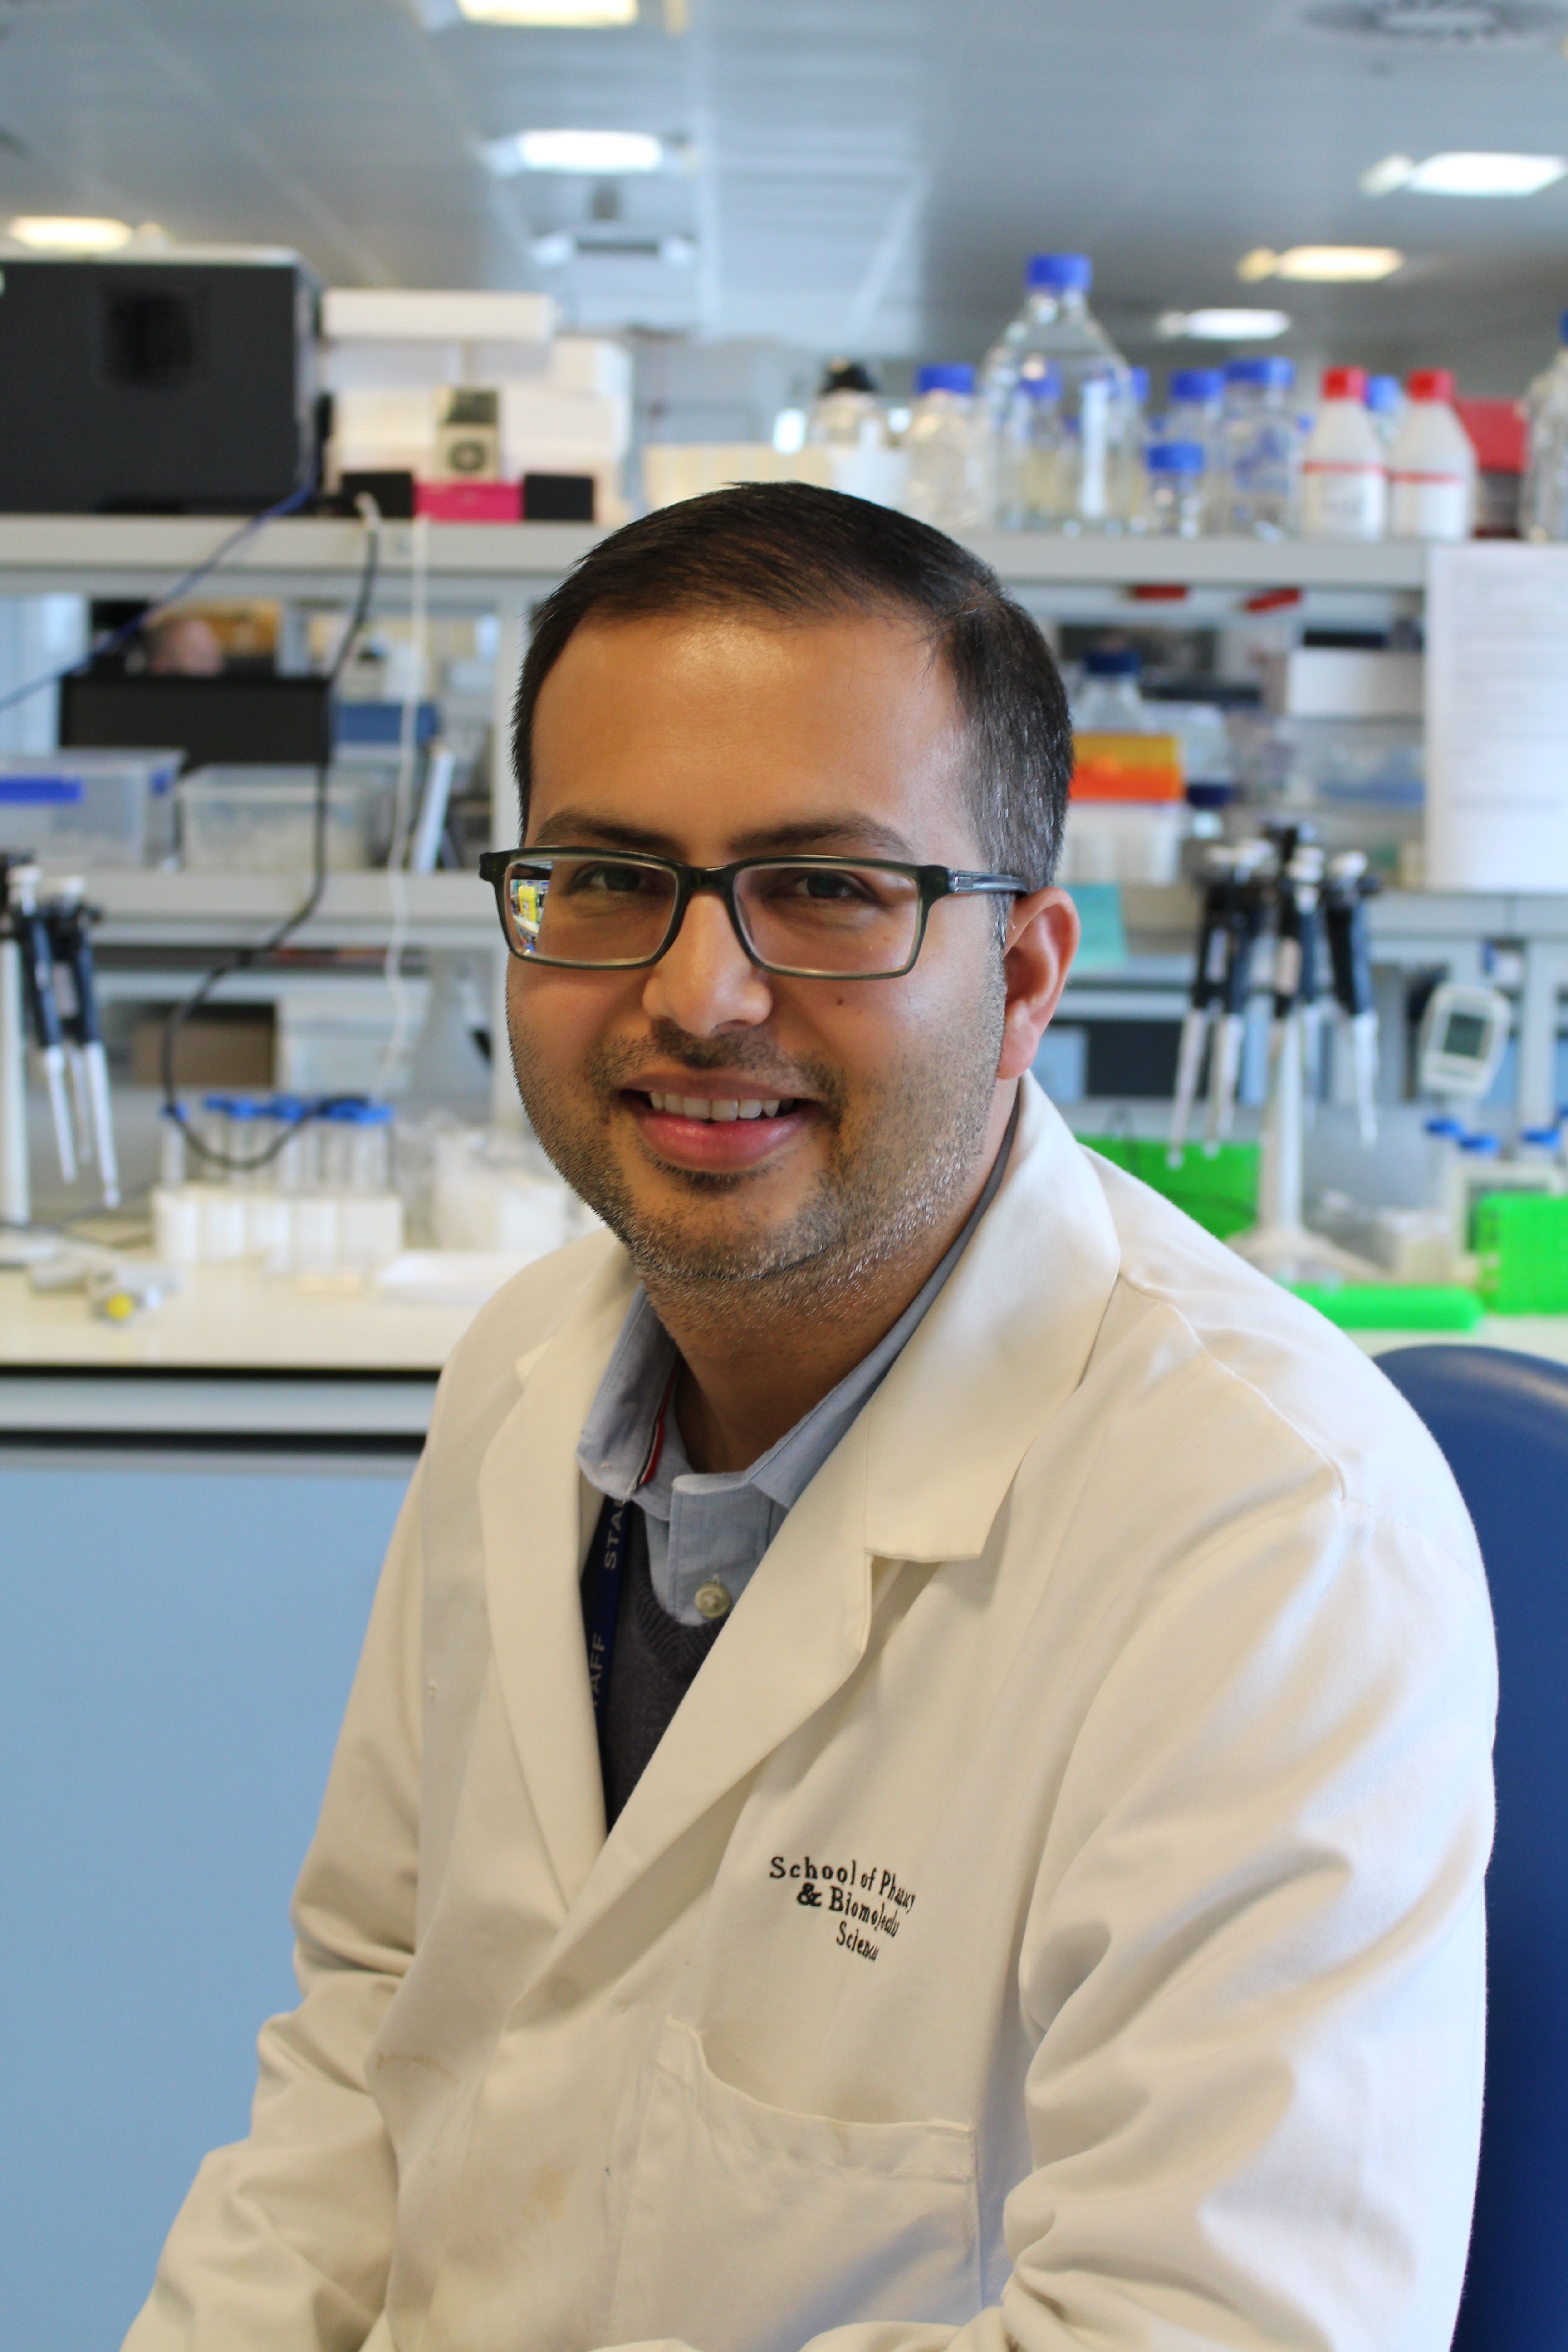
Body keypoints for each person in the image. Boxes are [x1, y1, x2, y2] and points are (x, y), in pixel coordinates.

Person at [127, 485, 1494, 2352]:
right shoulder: (526, 1373)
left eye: (830, 890)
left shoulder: (1267, 1529)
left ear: (1020, 976)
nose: (701, 994)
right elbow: (378, 2034)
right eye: (606, 878)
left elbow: (1213, 2327)